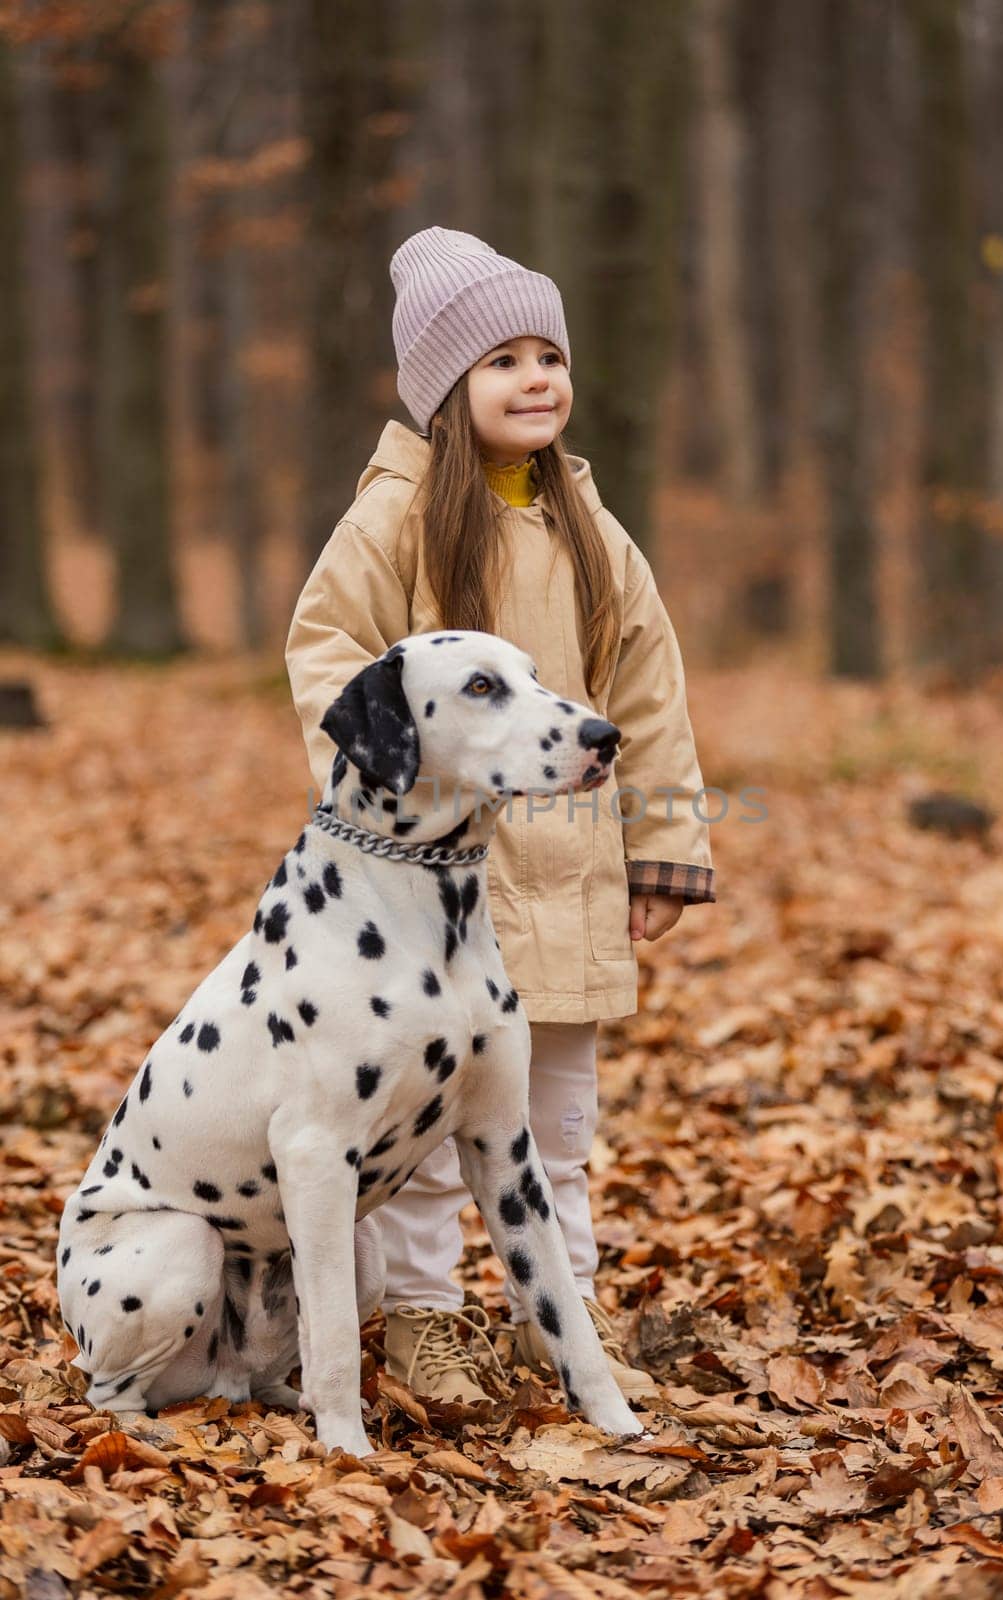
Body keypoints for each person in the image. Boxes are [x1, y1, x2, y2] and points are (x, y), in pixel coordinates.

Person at [285, 227, 715, 1407]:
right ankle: (424, 1315)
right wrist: (391, 781)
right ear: (441, 392)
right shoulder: (398, 519)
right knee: (427, 1129)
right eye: (501, 360)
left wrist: (666, 840)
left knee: (556, 1124)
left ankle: (556, 1315)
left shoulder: (587, 523)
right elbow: (325, 652)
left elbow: (648, 685)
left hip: (567, 872)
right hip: (432, 884)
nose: (537, 379)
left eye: (549, 355)